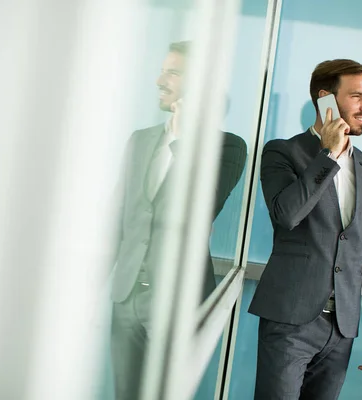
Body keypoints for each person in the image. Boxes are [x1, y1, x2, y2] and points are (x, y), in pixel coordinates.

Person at [109, 41, 247, 400]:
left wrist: (184, 138)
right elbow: (115, 222)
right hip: (126, 300)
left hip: (177, 304)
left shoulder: (228, 147)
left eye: (172, 72)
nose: (160, 79)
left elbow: (201, 211)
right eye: (162, 70)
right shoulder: (139, 141)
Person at [248, 59, 362, 400]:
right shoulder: (283, 152)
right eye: (357, 96)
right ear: (325, 98)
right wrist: (328, 153)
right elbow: (287, 215)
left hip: (342, 329)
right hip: (289, 322)